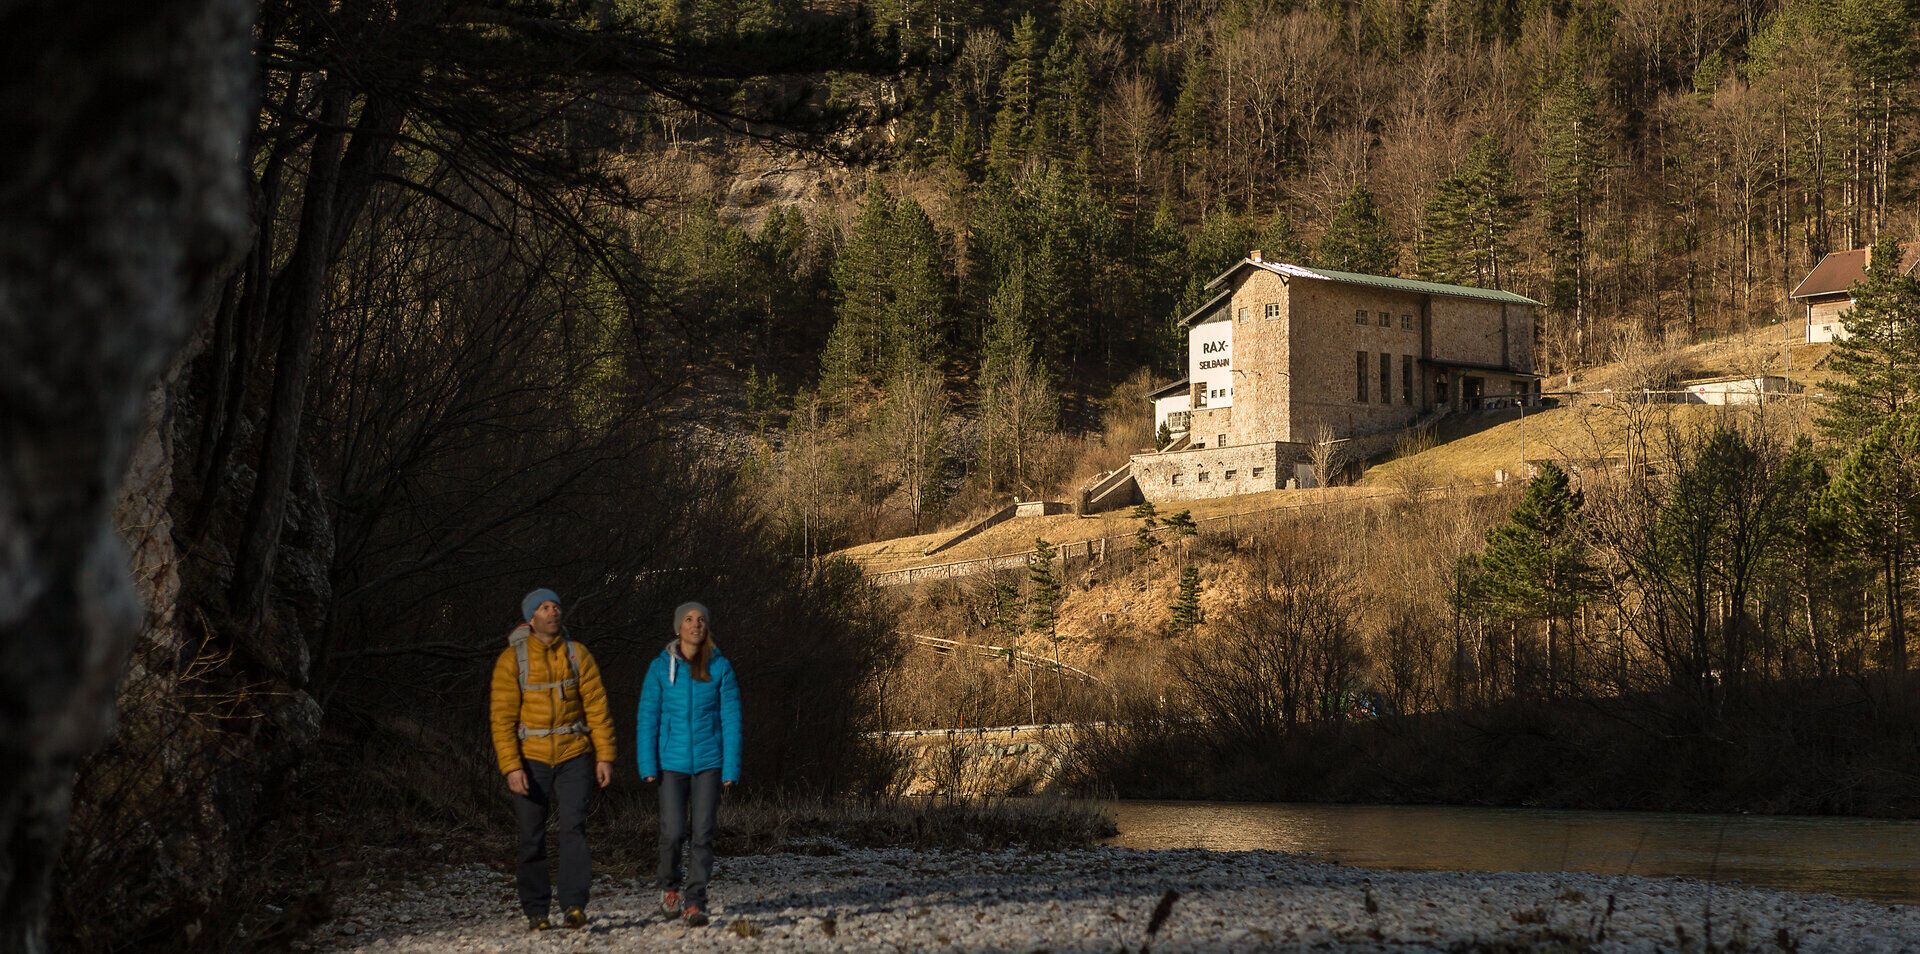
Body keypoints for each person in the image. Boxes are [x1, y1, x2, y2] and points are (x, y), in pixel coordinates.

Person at [489, 588, 617, 931]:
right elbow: (501, 719)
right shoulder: (511, 660)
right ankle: (536, 910)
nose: (552, 612)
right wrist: (511, 767)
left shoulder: (578, 655)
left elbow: (598, 708)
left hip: (574, 752)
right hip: (530, 758)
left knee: (574, 828)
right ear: (532, 619)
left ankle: (574, 905)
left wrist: (604, 756)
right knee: (531, 834)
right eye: (544, 608)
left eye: (556, 606)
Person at [637, 601, 741, 927]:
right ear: (677, 627)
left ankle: (695, 901)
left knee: (703, 834)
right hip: (671, 763)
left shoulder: (721, 667)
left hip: (710, 763)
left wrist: (731, 768)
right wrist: (647, 763)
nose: (696, 624)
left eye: (701, 620)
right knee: (672, 832)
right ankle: (669, 888)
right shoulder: (659, 668)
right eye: (688, 619)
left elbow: (732, 720)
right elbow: (648, 717)